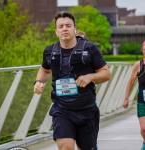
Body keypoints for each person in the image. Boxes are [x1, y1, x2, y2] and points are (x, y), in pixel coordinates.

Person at [34, 11, 111, 150]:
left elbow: (106, 73)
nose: (64, 29)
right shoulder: (49, 51)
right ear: (56, 31)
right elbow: (45, 70)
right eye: (61, 26)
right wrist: (38, 82)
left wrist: (90, 77)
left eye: (68, 25)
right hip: (62, 109)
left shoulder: (90, 48)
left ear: (74, 29)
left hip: (86, 110)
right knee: (66, 146)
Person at [123, 40, 145, 150]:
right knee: (144, 129)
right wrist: (126, 98)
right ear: (142, 50)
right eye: (144, 47)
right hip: (142, 101)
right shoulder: (138, 65)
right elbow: (130, 82)